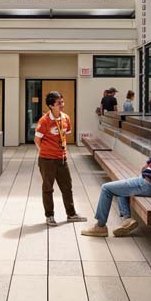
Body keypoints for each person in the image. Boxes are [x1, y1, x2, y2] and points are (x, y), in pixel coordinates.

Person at [81, 115, 151, 237]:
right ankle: (127, 219)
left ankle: (100, 226)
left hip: (150, 184)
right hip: (148, 182)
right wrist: (149, 163)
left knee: (106, 188)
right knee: (120, 187)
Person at [35, 91, 87, 227]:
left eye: (62, 102)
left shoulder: (66, 118)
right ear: (51, 105)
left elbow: (66, 134)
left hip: (62, 159)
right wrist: (46, 152)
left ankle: (71, 214)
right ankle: (49, 216)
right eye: (59, 103)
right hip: (47, 160)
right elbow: (37, 140)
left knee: (67, 187)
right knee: (48, 188)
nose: (62, 105)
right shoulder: (44, 121)